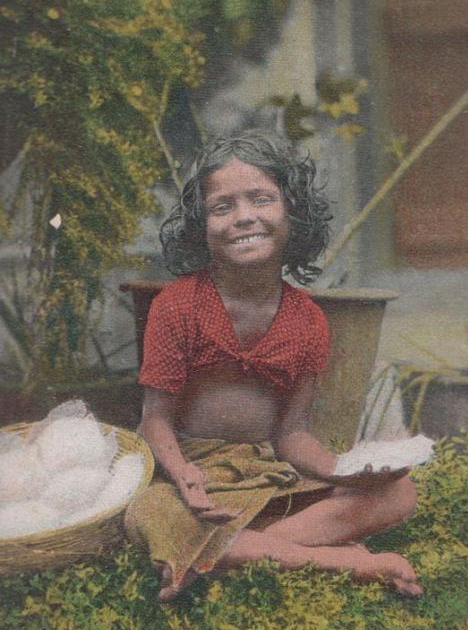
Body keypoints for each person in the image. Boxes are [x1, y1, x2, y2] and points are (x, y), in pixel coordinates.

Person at [125, 130, 423, 601]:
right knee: (150, 516)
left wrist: (344, 472)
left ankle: (223, 555)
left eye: (261, 199)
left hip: (268, 477)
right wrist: (181, 473)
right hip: (194, 479)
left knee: (399, 494)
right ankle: (339, 559)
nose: (244, 217)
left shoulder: (307, 321)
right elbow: (154, 420)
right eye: (222, 207)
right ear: (200, 225)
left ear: (292, 214)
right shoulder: (177, 306)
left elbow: (291, 434)